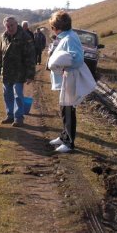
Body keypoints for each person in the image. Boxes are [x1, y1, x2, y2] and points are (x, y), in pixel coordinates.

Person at [47, 10, 96, 153]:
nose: (53, 31)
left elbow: (77, 59)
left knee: (68, 109)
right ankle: (64, 137)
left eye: (53, 28)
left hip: (71, 77)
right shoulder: (68, 36)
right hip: (68, 76)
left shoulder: (69, 38)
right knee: (64, 107)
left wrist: (62, 64)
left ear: (57, 27)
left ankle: (69, 143)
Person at [0, 17, 36, 127]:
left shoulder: (25, 37)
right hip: (6, 72)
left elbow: (31, 57)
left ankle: (18, 118)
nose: (10, 28)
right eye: (8, 26)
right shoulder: (3, 36)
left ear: (16, 24)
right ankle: (10, 116)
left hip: (19, 72)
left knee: (18, 95)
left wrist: (30, 74)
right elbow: (0, 54)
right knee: (7, 95)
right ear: (5, 26)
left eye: (12, 25)